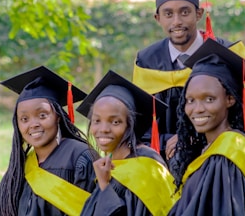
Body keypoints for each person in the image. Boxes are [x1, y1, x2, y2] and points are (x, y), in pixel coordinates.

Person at [132, 0, 245, 196]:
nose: (177, 21)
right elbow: (139, 118)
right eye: (168, 14)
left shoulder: (228, 56)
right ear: (157, 18)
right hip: (164, 170)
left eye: (185, 12)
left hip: (219, 168)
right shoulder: (148, 60)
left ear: (199, 14)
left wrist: (194, 135)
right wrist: (170, 139)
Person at [168, 39, 245, 216]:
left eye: (209, 99)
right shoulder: (213, 149)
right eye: (190, 100)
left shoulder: (227, 155)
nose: (198, 109)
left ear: (230, 99)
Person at [0, 65, 99, 216]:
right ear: (17, 124)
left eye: (42, 115)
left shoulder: (81, 157)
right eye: (24, 119)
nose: (33, 124)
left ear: (58, 116)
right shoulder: (21, 166)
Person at [76, 70, 180, 216]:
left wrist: (105, 186)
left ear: (129, 125)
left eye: (115, 122)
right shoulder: (109, 165)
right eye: (97, 121)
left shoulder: (146, 166)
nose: (104, 129)